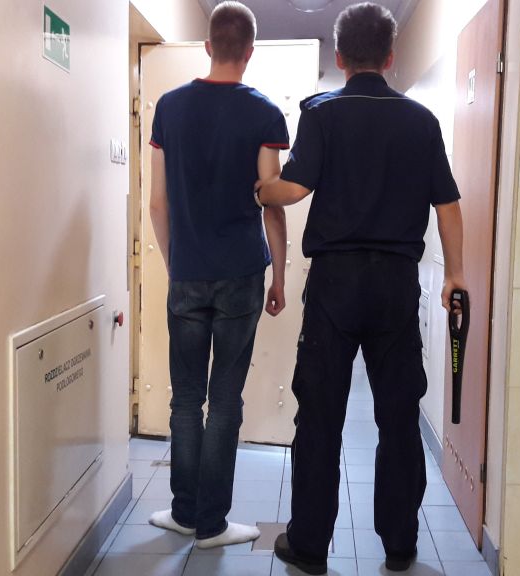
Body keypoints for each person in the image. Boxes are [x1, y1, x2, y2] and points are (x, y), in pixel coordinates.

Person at [256, 2, 466, 573]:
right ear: (391, 57)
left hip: (335, 286)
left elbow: (293, 190)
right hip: (396, 286)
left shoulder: (322, 113)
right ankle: (399, 545)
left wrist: (260, 189)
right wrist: (455, 274)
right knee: (398, 415)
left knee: (319, 415)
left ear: (341, 56)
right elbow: (447, 205)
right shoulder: (422, 122)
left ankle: (309, 546)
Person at [147, 1, 290, 549]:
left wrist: (174, 262)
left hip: (188, 272)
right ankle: (212, 524)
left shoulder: (169, 108)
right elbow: (271, 202)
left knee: (185, 398)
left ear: (208, 46)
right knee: (225, 399)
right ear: (250, 52)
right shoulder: (264, 114)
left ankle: (184, 512)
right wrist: (279, 277)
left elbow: (157, 204)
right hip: (241, 275)